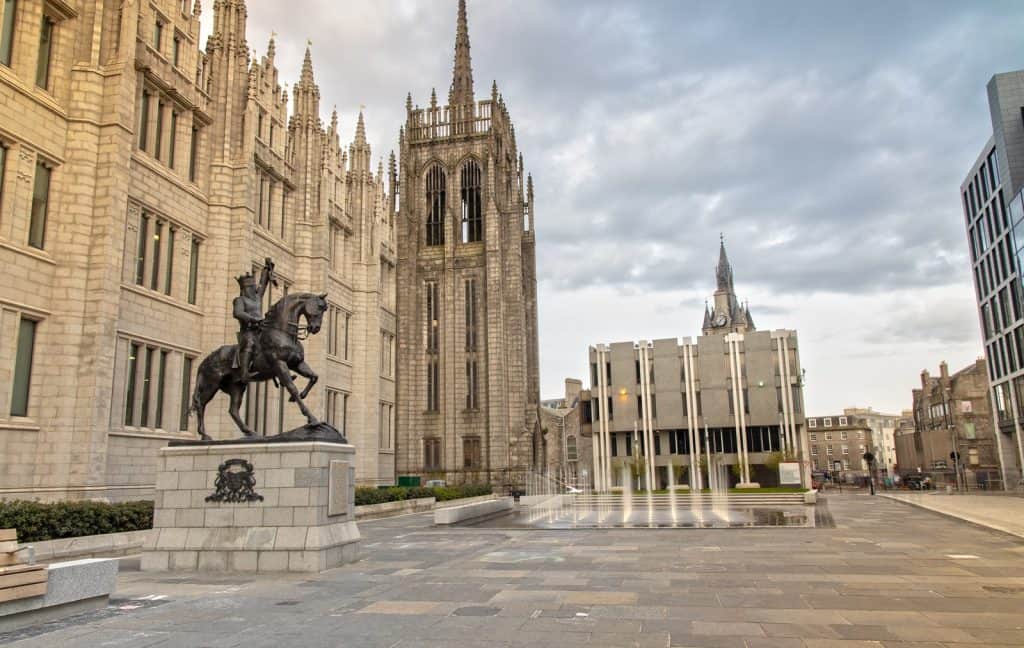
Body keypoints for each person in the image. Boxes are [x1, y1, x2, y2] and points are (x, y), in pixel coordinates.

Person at [233, 258, 275, 381]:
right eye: (249, 287)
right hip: (248, 330)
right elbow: (238, 313)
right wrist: (252, 319)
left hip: (260, 329)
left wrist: (267, 269)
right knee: (250, 343)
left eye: (252, 286)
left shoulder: (257, 298)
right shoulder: (239, 300)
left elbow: (263, 283)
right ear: (244, 289)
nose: (252, 289)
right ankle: (244, 372)